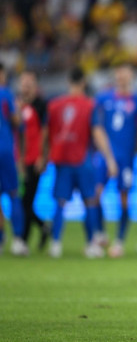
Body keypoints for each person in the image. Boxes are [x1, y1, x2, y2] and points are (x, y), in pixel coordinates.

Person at [46, 67, 118, 258]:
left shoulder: (55, 105)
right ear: (84, 82)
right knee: (90, 201)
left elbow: (47, 133)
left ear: (68, 81)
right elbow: (97, 132)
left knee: (60, 203)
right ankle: (91, 244)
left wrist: (44, 156)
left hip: (62, 159)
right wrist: (109, 158)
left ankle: (55, 244)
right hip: (83, 160)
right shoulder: (90, 105)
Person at [93, 64, 137, 257]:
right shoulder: (103, 98)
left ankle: (119, 241)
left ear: (131, 76)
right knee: (95, 195)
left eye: (126, 73)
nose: (122, 77)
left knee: (124, 199)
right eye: (119, 73)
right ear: (115, 75)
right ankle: (99, 235)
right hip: (105, 155)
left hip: (127, 158)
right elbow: (96, 127)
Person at [16, 70, 50, 250]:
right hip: (21, 160)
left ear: (35, 85)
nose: (26, 86)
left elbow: (45, 133)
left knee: (26, 201)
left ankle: (23, 240)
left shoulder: (41, 105)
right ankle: (43, 227)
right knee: (25, 201)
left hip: (34, 159)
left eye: (29, 82)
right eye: (23, 82)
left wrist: (43, 157)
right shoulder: (17, 105)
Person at [0, 63, 27, 256]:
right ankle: (18, 240)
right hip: (5, 150)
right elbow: (17, 122)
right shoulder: (6, 94)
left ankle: (1, 239)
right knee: (14, 193)